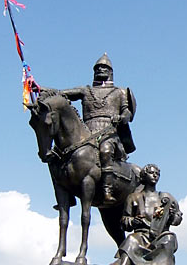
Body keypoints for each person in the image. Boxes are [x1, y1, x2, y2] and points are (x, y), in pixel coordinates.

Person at [58, 54, 135, 203]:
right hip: (86, 134)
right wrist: (39, 88)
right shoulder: (85, 90)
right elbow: (61, 93)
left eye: (104, 68)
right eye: (98, 68)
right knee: (58, 155)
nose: (100, 69)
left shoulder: (119, 92)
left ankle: (107, 189)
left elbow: (127, 112)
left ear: (110, 71)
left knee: (105, 150)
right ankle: (66, 194)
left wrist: (121, 117)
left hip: (109, 133)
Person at [106, 164, 182, 265]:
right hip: (141, 234)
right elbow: (124, 221)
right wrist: (133, 221)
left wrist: (173, 215)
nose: (155, 175)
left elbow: (177, 219)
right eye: (151, 173)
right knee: (131, 240)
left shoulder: (166, 197)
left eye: (157, 174)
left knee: (169, 239)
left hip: (160, 235)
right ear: (143, 176)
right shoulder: (133, 197)